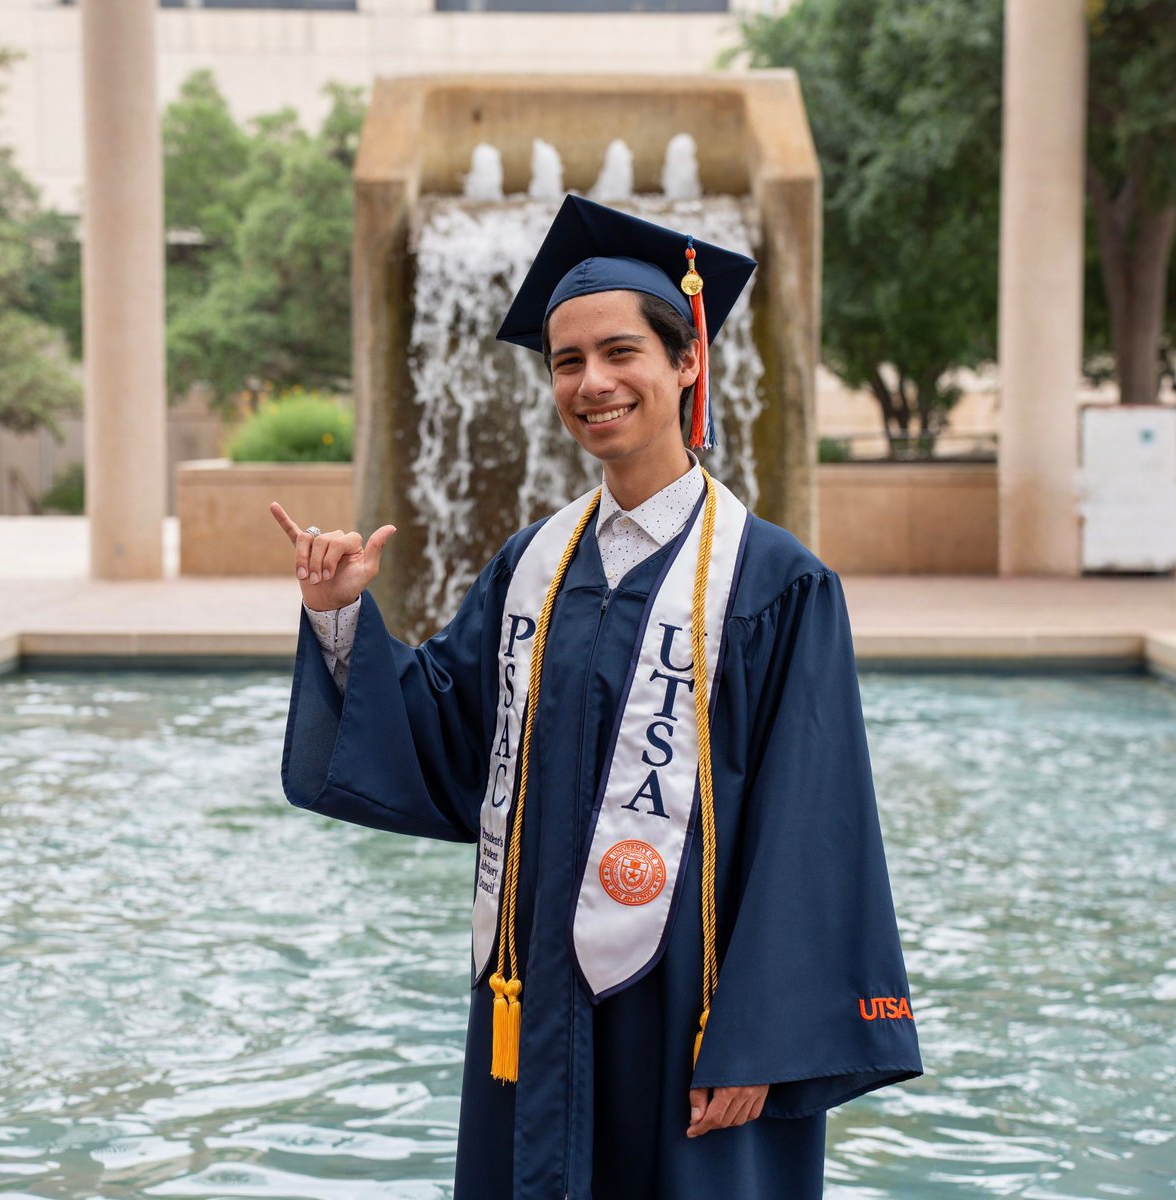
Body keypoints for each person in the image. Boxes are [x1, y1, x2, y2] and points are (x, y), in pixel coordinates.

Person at [272, 195, 922, 1200]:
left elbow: (815, 825)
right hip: (533, 1002)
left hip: (694, 1015)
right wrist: (340, 621)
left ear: (687, 363)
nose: (592, 383)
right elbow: (448, 734)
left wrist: (762, 1039)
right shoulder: (534, 566)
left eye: (622, 352)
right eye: (567, 361)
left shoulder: (775, 584)